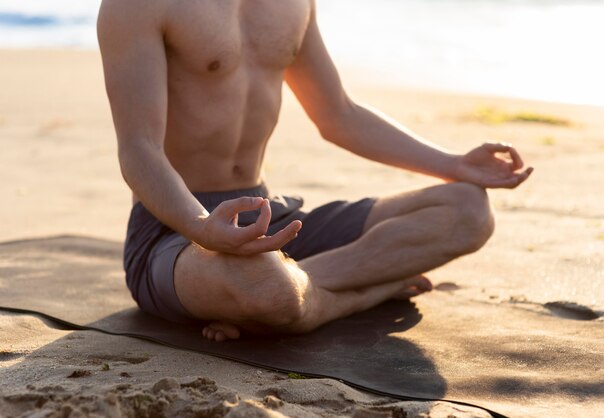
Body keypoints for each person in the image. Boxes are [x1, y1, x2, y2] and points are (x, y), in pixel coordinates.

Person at [97, 0, 532, 342]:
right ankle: (359, 292)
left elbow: (338, 114)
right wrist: (200, 227)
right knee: (268, 287)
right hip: (174, 231)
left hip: (269, 216)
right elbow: (139, 150)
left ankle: (288, 300)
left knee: (468, 208)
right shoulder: (137, 3)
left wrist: (452, 163)